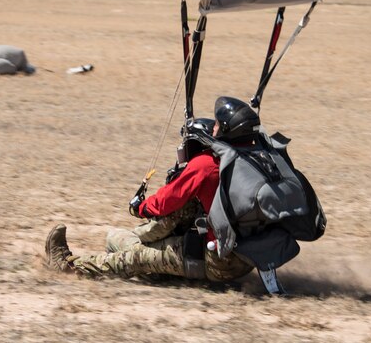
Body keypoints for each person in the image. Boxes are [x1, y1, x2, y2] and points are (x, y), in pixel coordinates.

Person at [45, 97, 265, 284]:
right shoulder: (260, 161)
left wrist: (141, 207)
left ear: (227, 130)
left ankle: (70, 267)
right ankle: (162, 272)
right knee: (122, 240)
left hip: (218, 262)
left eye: (217, 125)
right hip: (248, 260)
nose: (213, 128)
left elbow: (166, 202)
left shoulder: (208, 165)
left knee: (135, 256)